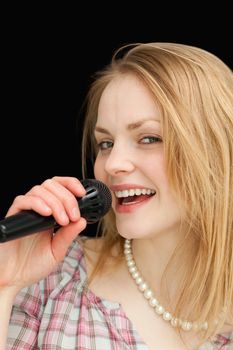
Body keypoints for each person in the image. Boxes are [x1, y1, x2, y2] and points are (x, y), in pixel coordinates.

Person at [0, 42, 232, 350]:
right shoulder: (52, 277)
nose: (112, 164)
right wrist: (5, 285)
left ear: (218, 151)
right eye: (106, 143)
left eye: (149, 138)